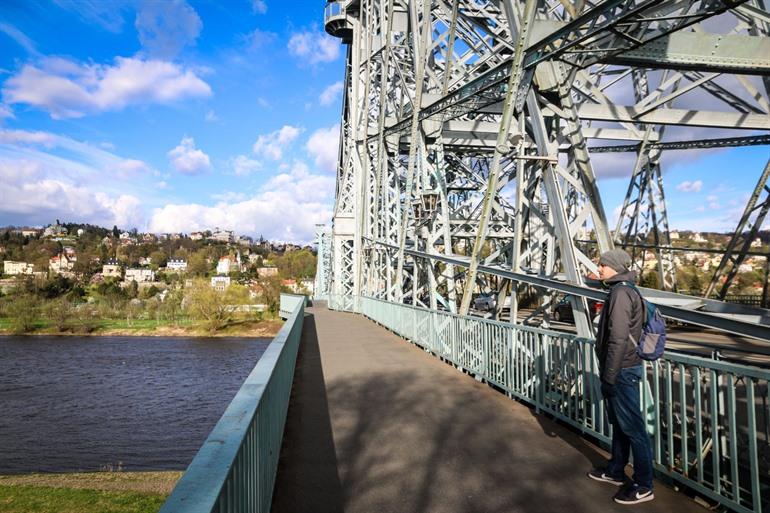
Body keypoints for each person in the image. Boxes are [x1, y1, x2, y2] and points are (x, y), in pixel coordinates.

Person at [587, 248, 654, 505]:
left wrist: (609, 375)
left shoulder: (621, 293)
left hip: (622, 370)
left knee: (634, 429)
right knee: (621, 424)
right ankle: (616, 470)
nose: (599, 268)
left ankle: (644, 484)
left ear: (614, 267)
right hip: (623, 367)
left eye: (603, 265)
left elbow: (617, 337)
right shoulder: (625, 289)